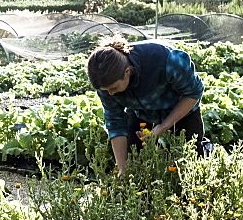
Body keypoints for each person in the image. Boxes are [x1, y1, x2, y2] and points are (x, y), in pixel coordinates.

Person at [86, 36, 205, 175]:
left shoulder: (166, 60)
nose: (110, 93)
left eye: (113, 88)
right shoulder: (106, 83)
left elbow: (193, 93)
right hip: (140, 112)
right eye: (106, 90)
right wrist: (123, 168)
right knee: (135, 160)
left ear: (127, 72)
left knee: (190, 159)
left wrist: (163, 127)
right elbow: (115, 121)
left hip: (180, 107)